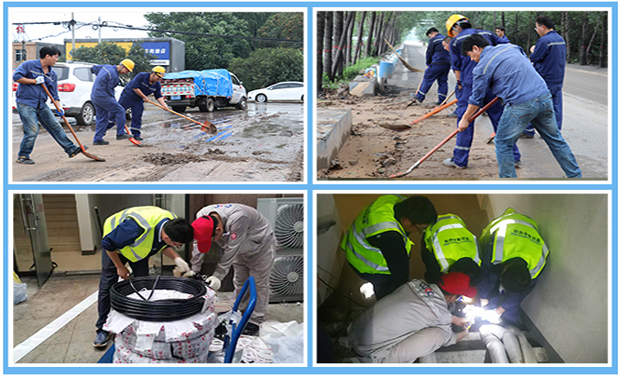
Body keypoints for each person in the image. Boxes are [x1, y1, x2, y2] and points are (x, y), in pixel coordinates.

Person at [458, 33, 582, 178]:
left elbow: (476, 99)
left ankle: (509, 184)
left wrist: (465, 119)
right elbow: (523, 64)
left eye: (470, 55)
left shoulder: (481, 68)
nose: (472, 59)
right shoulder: (511, 47)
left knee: (503, 143)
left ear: (476, 48)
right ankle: (576, 177)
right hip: (544, 97)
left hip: (520, 105)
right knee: (555, 140)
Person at [94, 206, 194, 348]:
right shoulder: (136, 228)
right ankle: (102, 328)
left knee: (143, 285)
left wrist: (177, 258)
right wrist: (120, 267)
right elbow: (108, 244)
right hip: (115, 245)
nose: (177, 246)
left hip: (138, 249)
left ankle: (138, 322)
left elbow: (162, 244)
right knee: (107, 286)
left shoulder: (172, 224)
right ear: (167, 237)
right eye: (178, 245)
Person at [443, 14, 520, 170]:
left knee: (466, 120)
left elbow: (456, 68)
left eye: (453, 31)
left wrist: (459, 85)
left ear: (456, 28)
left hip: (470, 85)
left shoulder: (456, 41)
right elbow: (507, 46)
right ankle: (513, 157)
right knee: (500, 120)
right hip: (493, 84)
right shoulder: (487, 34)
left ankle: (460, 159)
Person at [348, 272, 476, 363]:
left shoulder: (415, 283)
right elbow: (450, 339)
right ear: (451, 296)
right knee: (439, 335)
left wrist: (453, 319)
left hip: (353, 332)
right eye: (458, 297)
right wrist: (466, 331)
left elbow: (431, 307)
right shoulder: (439, 313)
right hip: (370, 355)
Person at [188, 204, 275, 334]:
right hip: (240, 246)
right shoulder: (202, 215)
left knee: (258, 283)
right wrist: (194, 269)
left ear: (218, 230)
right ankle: (238, 311)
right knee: (240, 281)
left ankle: (255, 319)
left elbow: (231, 249)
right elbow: (197, 244)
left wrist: (218, 276)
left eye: (212, 240)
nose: (212, 243)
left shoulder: (239, 218)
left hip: (260, 246)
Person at [340, 195, 437, 300]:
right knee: (390, 296)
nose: (421, 232)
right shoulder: (390, 237)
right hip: (368, 267)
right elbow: (400, 274)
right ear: (406, 221)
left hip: (354, 245)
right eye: (421, 228)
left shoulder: (394, 199)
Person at [477, 208, 550, 327]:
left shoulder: (537, 265)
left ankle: (511, 323)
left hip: (527, 231)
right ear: (504, 270)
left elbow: (520, 293)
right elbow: (485, 274)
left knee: (511, 304)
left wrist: (498, 311)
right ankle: (490, 304)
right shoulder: (494, 250)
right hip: (507, 225)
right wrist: (483, 299)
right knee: (490, 282)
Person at [13, 46, 84, 164]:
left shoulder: (52, 74)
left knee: (55, 126)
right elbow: (17, 77)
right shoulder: (29, 65)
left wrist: (59, 107)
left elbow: (54, 94)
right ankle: (23, 156)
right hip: (26, 103)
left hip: (41, 104)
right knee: (32, 130)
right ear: (47, 56)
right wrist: (34, 81)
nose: (56, 60)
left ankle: (71, 149)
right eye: (55, 57)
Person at [523, 16, 567, 137]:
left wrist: (533, 50)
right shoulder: (560, 39)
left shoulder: (544, 41)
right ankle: (554, 131)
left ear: (543, 27)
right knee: (556, 106)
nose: (536, 30)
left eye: (536, 28)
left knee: (535, 104)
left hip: (544, 78)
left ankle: (528, 130)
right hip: (557, 77)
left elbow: (535, 58)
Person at [421, 213, 481, 286]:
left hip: (455, 219)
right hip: (433, 226)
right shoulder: (442, 260)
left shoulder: (477, 259)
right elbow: (431, 274)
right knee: (428, 260)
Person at [91, 59, 134, 145]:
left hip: (94, 95)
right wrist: (113, 100)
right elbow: (110, 91)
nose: (126, 72)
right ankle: (120, 133)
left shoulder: (106, 67)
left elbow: (93, 69)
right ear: (122, 66)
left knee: (102, 117)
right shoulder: (114, 76)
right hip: (103, 96)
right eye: (127, 70)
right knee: (120, 110)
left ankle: (98, 139)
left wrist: (100, 79)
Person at [118, 66, 169, 141]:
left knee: (137, 116)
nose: (159, 79)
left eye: (160, 78)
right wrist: (144, 97)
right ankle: (104, 130)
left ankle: (136, 135)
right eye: (158, 77)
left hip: (138, 100)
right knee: (117, 112)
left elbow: (158, 96)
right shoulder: (142, 76)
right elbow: (135, 87)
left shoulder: (157, 84)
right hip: (127, 96)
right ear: (153, 73)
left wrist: (164, 105)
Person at [411, 28, 451, 105]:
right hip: (447, 64)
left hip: (436, 63)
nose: (430, 38)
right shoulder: (446, 39)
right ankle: (442, 100)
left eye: (430, 36)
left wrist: (428, 64)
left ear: (433, 33)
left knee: (427, 79)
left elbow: (429, 52)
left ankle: (420, 96)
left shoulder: (434, 40)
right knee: (443, 81)